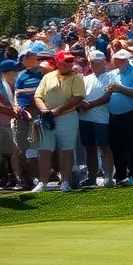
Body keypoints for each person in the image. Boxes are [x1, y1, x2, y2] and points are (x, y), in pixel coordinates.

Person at [31, 50, 85, 192]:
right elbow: (38, 96)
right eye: (66, 61)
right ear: (58, 62)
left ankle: (65, 182)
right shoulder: (48, 77)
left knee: (66, 150)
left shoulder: (77, 77)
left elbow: (77, 98)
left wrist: (56, 111)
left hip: (67, 116)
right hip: (48, 117)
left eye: (70, 61)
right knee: (44, 150)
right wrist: (44, 111)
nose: (69, 64)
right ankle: (43, 183)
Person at [78, 50, 117, 188]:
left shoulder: (111, 77)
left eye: (96, 62)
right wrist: (81, 103)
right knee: (89, 148)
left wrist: (90, 105)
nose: (93, 64)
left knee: (105, 147)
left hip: (102, 118)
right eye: (92, 62)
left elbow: (108, 96)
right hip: (85, 117)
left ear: (103, 63)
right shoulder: (86, 78)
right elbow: (79, 95)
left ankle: (108, 177)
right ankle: (91, 177)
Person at [106, 48, 133, 185]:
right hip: (113, 114)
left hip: (130, 113)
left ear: (126, 60)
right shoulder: (112, 73)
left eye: (121, 59)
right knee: (116, 146)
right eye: (116, 59)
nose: (118, 61)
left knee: (132, 145)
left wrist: (119, 88)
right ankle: (120, 175)